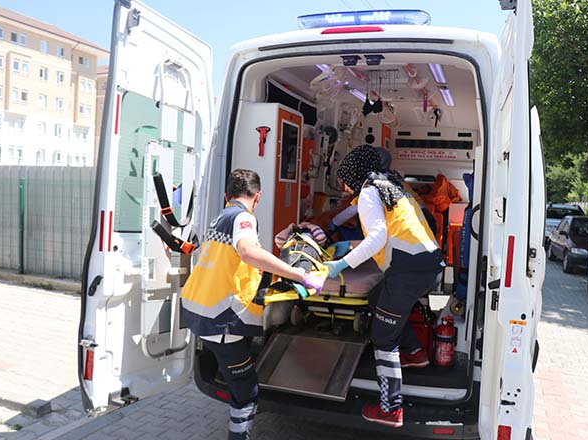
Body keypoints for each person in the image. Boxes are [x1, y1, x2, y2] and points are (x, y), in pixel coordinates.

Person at [181, 169, 325, 440]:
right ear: (257, 196)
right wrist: (299, 275)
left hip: (200, 313)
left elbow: (236, 260)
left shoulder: (221, 217)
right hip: (222, 320)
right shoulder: (243, 217)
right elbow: (248, 252)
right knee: (246, 391)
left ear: (227, 195)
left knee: (239, 380)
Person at [324, 146, 444, 428]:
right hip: (428, 265)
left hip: (408, 272)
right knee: (377, 297)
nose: (344, 186)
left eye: (344, 179)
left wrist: (341, 264)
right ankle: (414, 353)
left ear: (354, 173)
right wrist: (346, 240)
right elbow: (397, 229)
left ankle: (391, 409)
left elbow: (377, 237)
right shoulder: (392, 186)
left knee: (383, 338)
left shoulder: (369, 192)